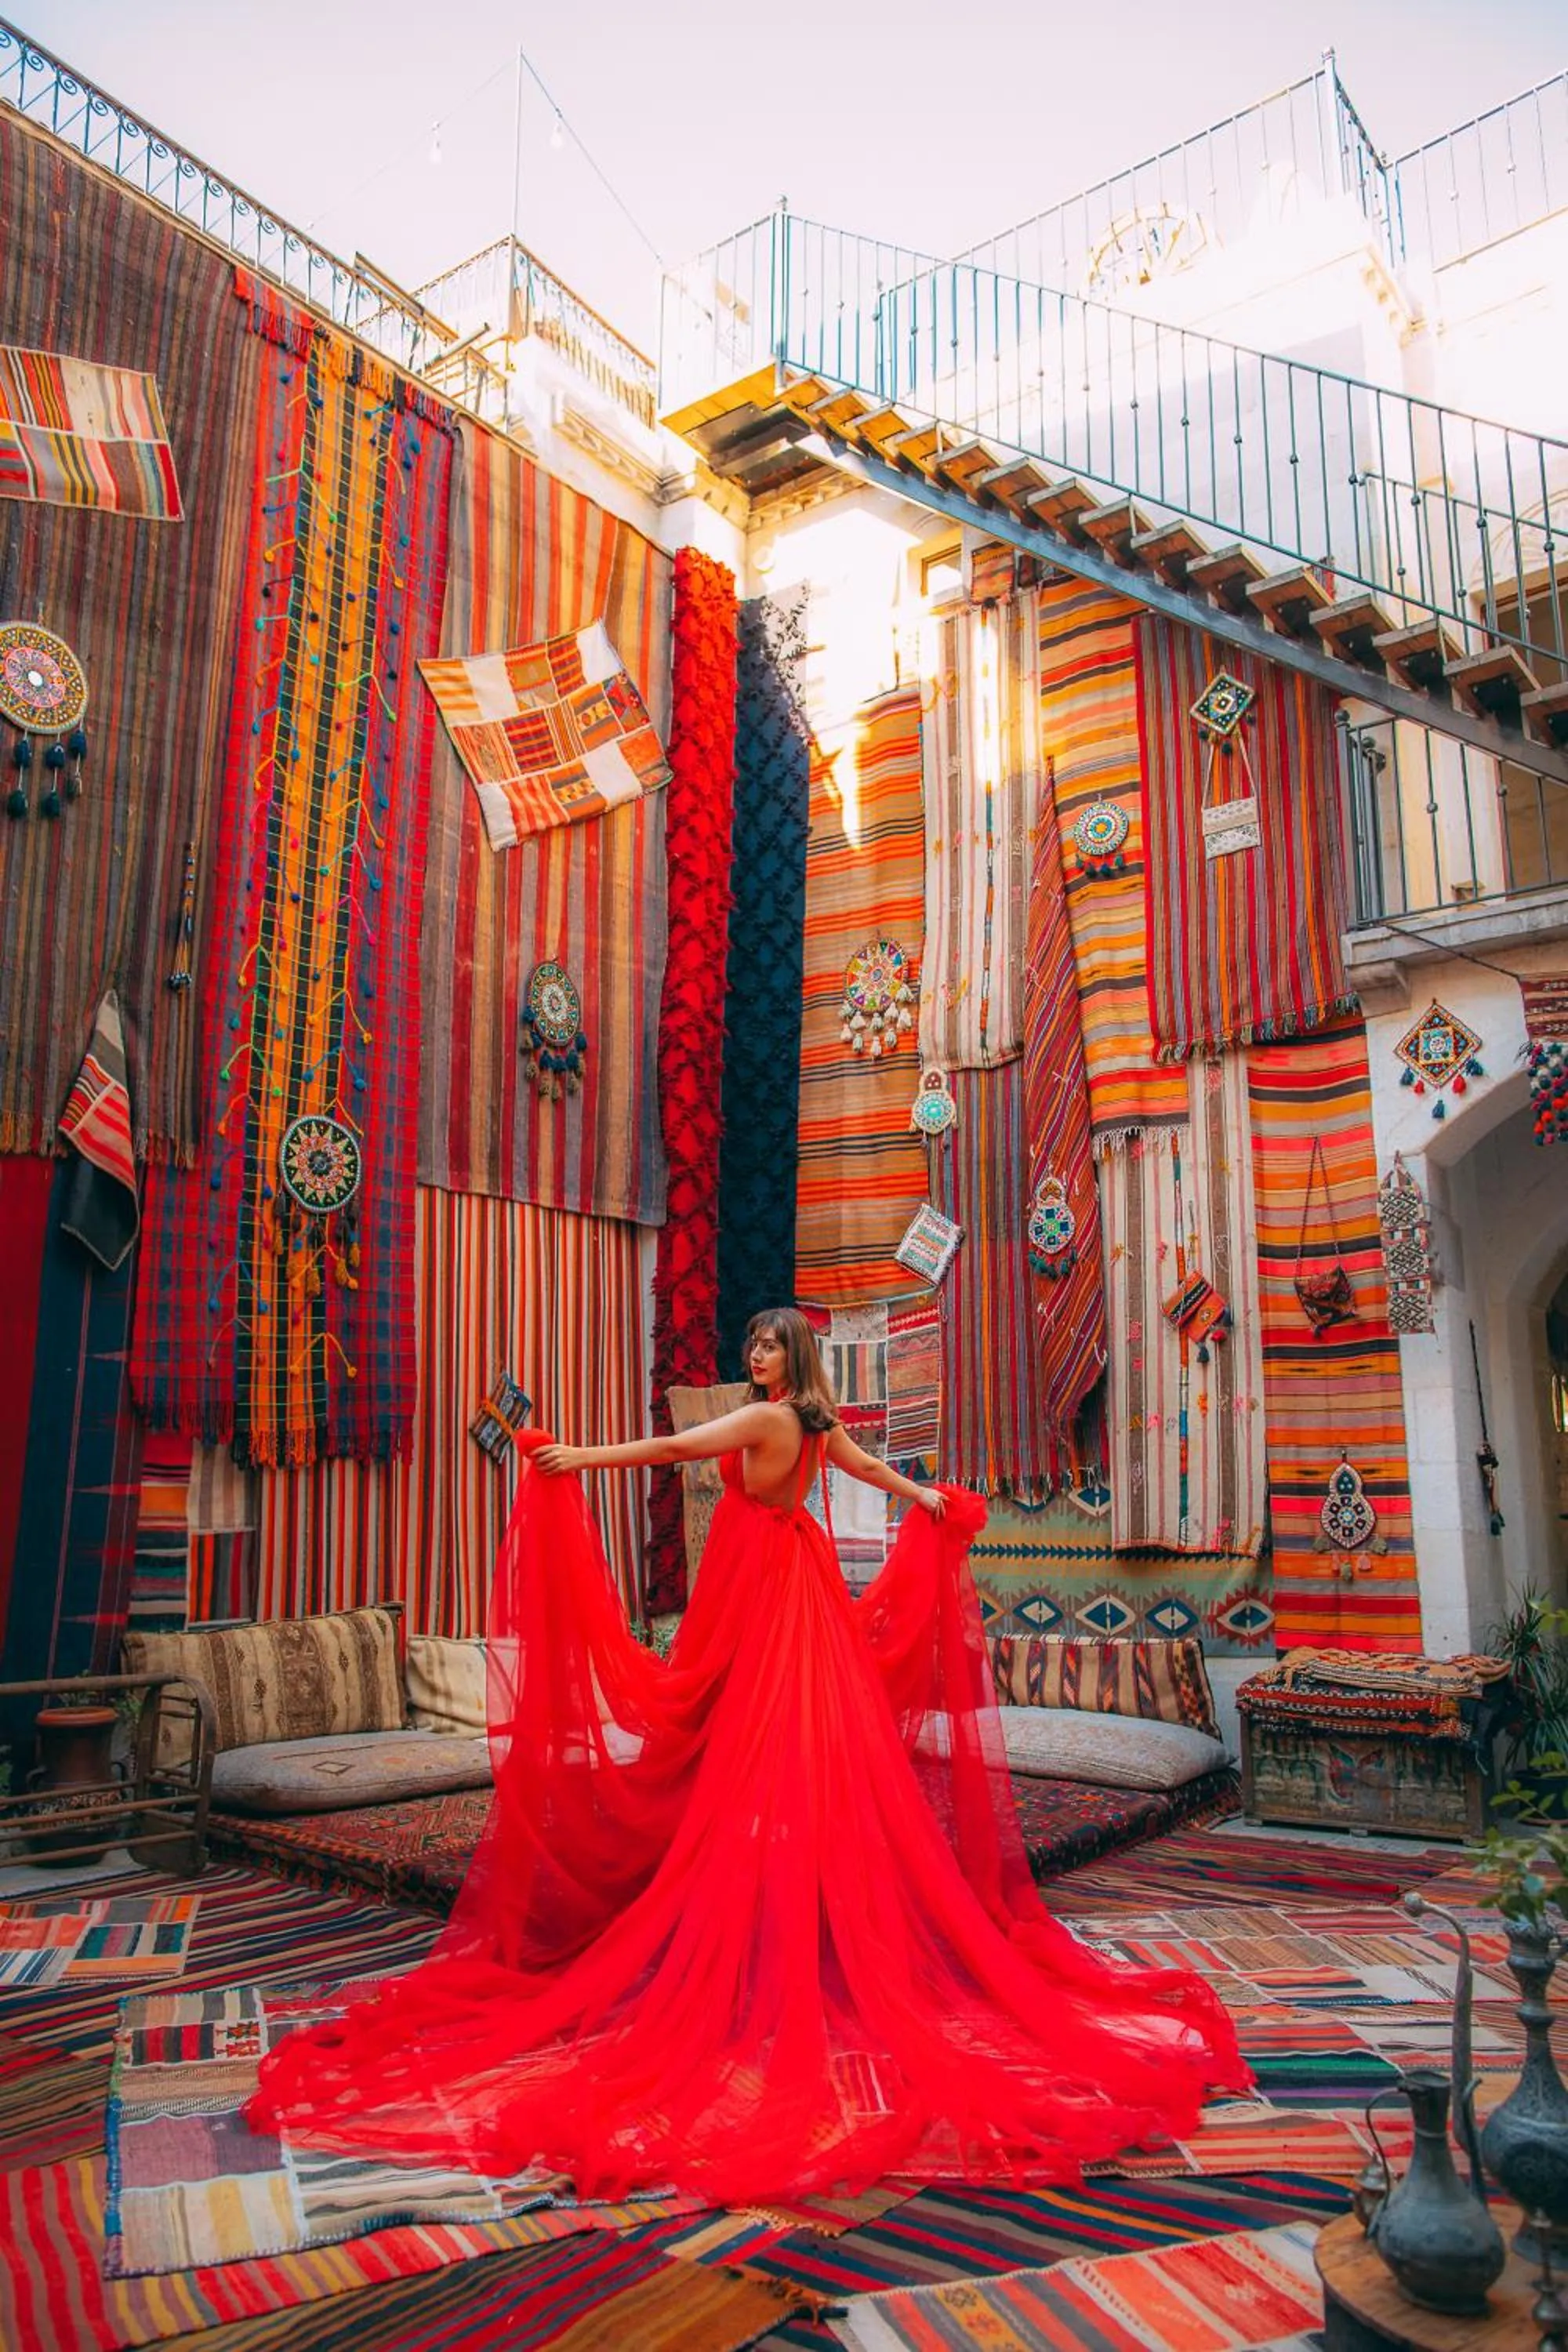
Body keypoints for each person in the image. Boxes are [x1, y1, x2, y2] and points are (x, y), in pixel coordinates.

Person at [247, 1308, 1246, 2205]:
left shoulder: (770, 1420)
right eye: (752, 1344)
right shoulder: (814, 1424)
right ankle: (793, 1885)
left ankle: (755, 1900)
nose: (751, 1355)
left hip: (766, 1584)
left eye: (765, 1345)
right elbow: (867, 1474)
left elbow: (678, 1444)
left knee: (755, 1731)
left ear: (790, 1357)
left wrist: (577, 1461)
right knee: (780, 1732)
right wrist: (929, 1500)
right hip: (789, 1576)